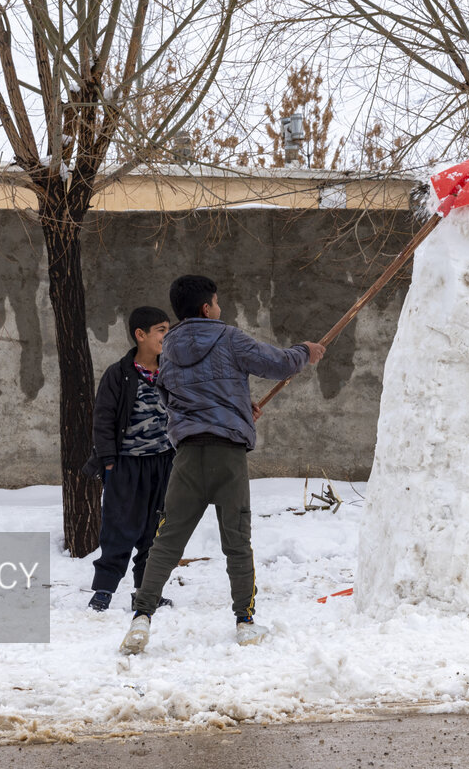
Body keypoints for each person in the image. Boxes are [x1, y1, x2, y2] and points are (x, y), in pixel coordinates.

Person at [120, 275, 325, 654]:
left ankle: (141, 617)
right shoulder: (229, 337)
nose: (219, 307)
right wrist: (304, 351)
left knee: (166, 543)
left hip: (187, 457)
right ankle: (245, 622)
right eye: (216, 302)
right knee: (237, 542)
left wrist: (238, 408)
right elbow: (277, 364)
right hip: (227, 456)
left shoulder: (169, 348)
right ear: (206, 308)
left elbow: (171, 396)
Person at [84, 306, 176, 612]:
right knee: (118, 527)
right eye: (161, 330)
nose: (167, 335)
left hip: (164, 465)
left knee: (156, 531)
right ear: (141, 335)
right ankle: (104, 591)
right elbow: (103, 419)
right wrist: (109, 461)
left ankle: (146, 591)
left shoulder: (172, 372)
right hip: (126, 466)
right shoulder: (119, 374)